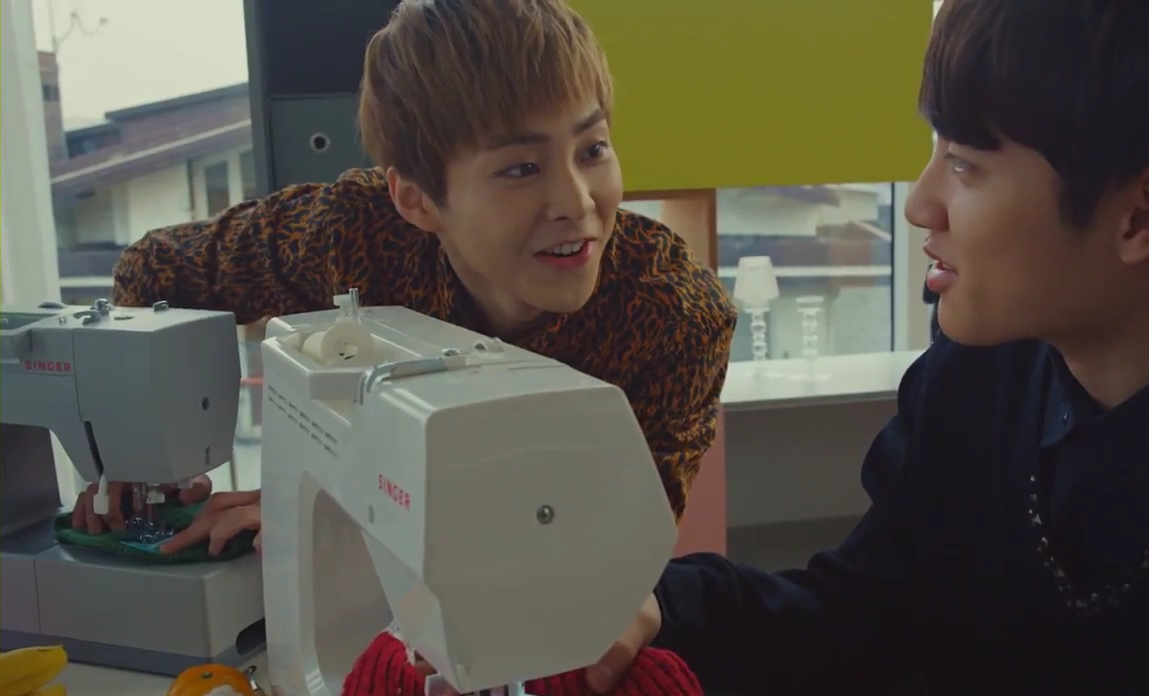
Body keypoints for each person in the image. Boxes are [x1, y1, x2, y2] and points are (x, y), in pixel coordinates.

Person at [546, 1, 1149, 696]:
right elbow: (864, 625)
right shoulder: (978, 376)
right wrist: (662, 605)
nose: (919, 205)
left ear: (1144, 215)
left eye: (964, 165)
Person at [73, 0, 736, 554]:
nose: (577, 201)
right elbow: (155, 269)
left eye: (593, 150)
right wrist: (139, 453)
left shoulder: (675, 315)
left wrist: (341, 519)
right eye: (521, 168)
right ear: (416, 200)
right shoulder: (357, 235)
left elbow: (620, 548)